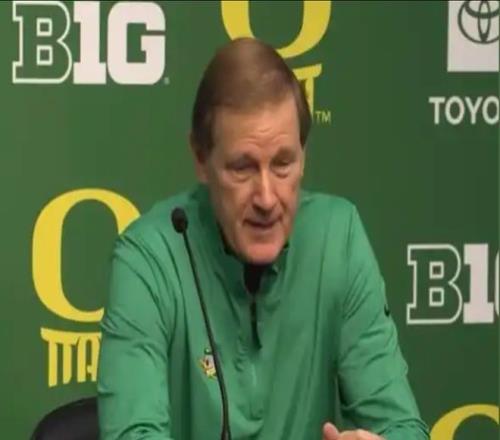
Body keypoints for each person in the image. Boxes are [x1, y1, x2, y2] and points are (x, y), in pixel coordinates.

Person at [97, 37, 429, 440]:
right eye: (243, 168)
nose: (267, 199)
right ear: (201, 159)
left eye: (283, 164)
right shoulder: (148, 257)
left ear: (304, 155)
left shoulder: (338, 238)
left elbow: (404, 427)